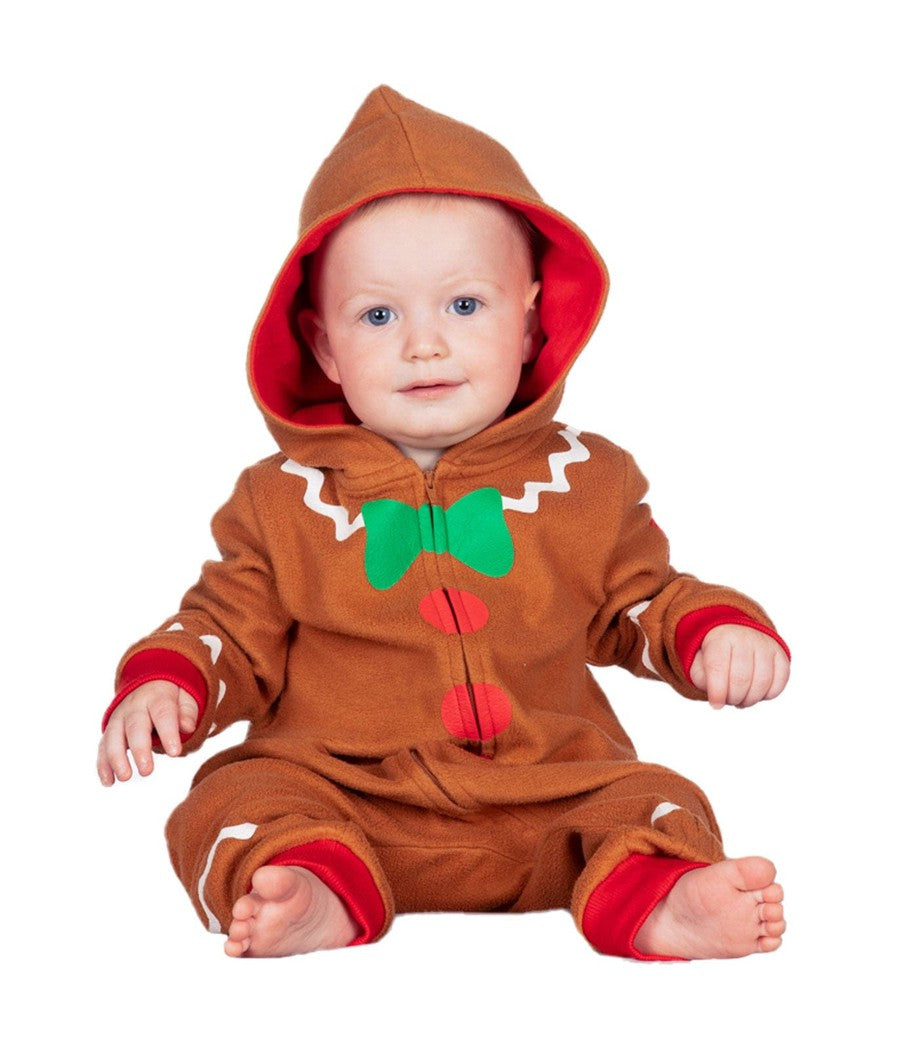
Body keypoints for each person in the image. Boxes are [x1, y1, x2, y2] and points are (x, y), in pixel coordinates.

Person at [97, 86, 789, 961]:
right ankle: (313, 885)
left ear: (531, 321)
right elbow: (228, 629)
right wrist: (171, 682)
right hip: (346, 799)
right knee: (229, 803)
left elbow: (640, 602)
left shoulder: (590, 479)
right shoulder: (281, 501)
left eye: (464, 306)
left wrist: (712, 632)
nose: (423, 344)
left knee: (657, 797)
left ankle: (655, 897)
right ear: (324, 346)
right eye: (378, 315)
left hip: (550, 797)